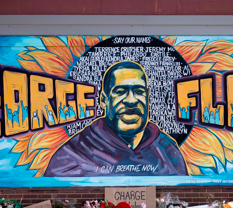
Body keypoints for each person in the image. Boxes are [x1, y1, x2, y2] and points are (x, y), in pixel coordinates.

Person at [45, 61, 188, 177]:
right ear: (103, 100)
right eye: (120, 92)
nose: (131, 101)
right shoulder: (73, 155)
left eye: (139, 91)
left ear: (148, 96)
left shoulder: (168, 151)